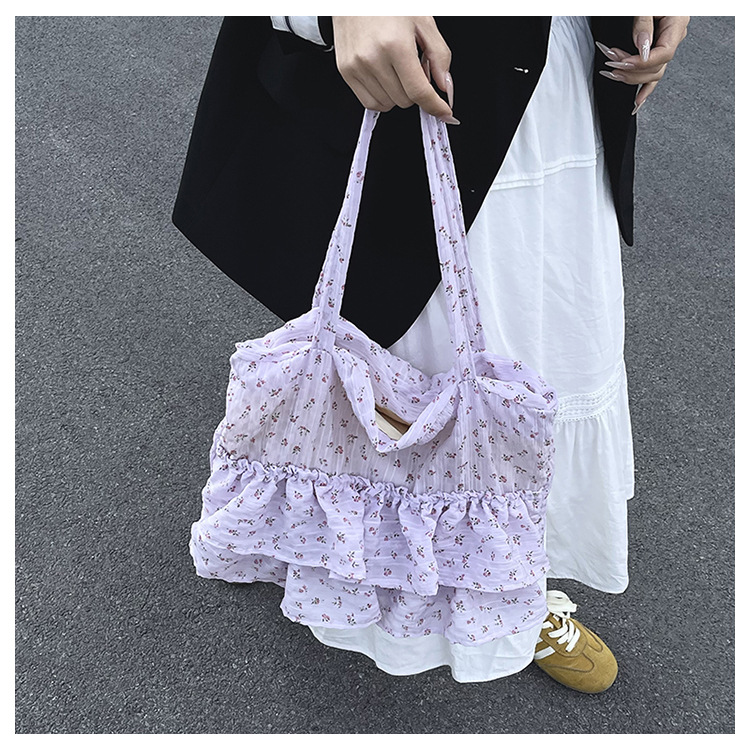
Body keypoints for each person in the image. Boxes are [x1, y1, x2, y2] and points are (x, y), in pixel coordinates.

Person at [174, 15, 690, 691]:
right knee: (397, 367)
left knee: (525, 383)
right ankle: (337, 565)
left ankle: (505, 585)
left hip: (555, 86)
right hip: (405, 70)